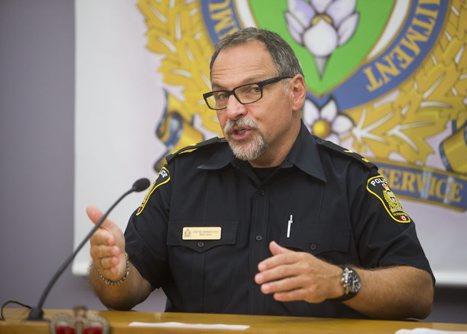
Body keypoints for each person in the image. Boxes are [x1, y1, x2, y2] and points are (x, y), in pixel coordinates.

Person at [87, 27, 434, 319]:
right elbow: (124, 291)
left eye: (251, 90)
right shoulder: (183, 176)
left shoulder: (351, 180)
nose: (234, 110)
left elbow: (419, 292)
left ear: (295, 92)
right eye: (222, 95)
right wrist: (112, 273)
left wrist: (339, 280)